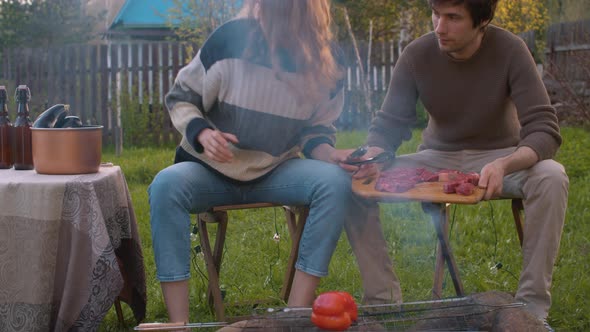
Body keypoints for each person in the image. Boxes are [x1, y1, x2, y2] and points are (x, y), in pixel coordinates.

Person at [352, 0, 568, 328]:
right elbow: (388, 127)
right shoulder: (417, 54)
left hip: (500, 155)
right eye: (436, 15)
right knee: (353, 182)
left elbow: (544, 131)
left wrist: (505, 164)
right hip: (436, 157)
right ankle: (383, 301)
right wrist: (374, 157)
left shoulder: (511, 50)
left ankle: (530, 310)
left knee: (552, 175)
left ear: (482, 21)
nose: (439, 27)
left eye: (453, 18)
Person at [148, 0, 366, 324]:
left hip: (277, 170)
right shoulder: (228, 41)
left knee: (334, 182)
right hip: (210, 172)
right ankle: (178, 324)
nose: (259, 11)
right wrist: (204, 133)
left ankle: (293, 316)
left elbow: (316, 131)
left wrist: (330, 154)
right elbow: (182, 97)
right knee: (165, 184)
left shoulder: (328, 61)